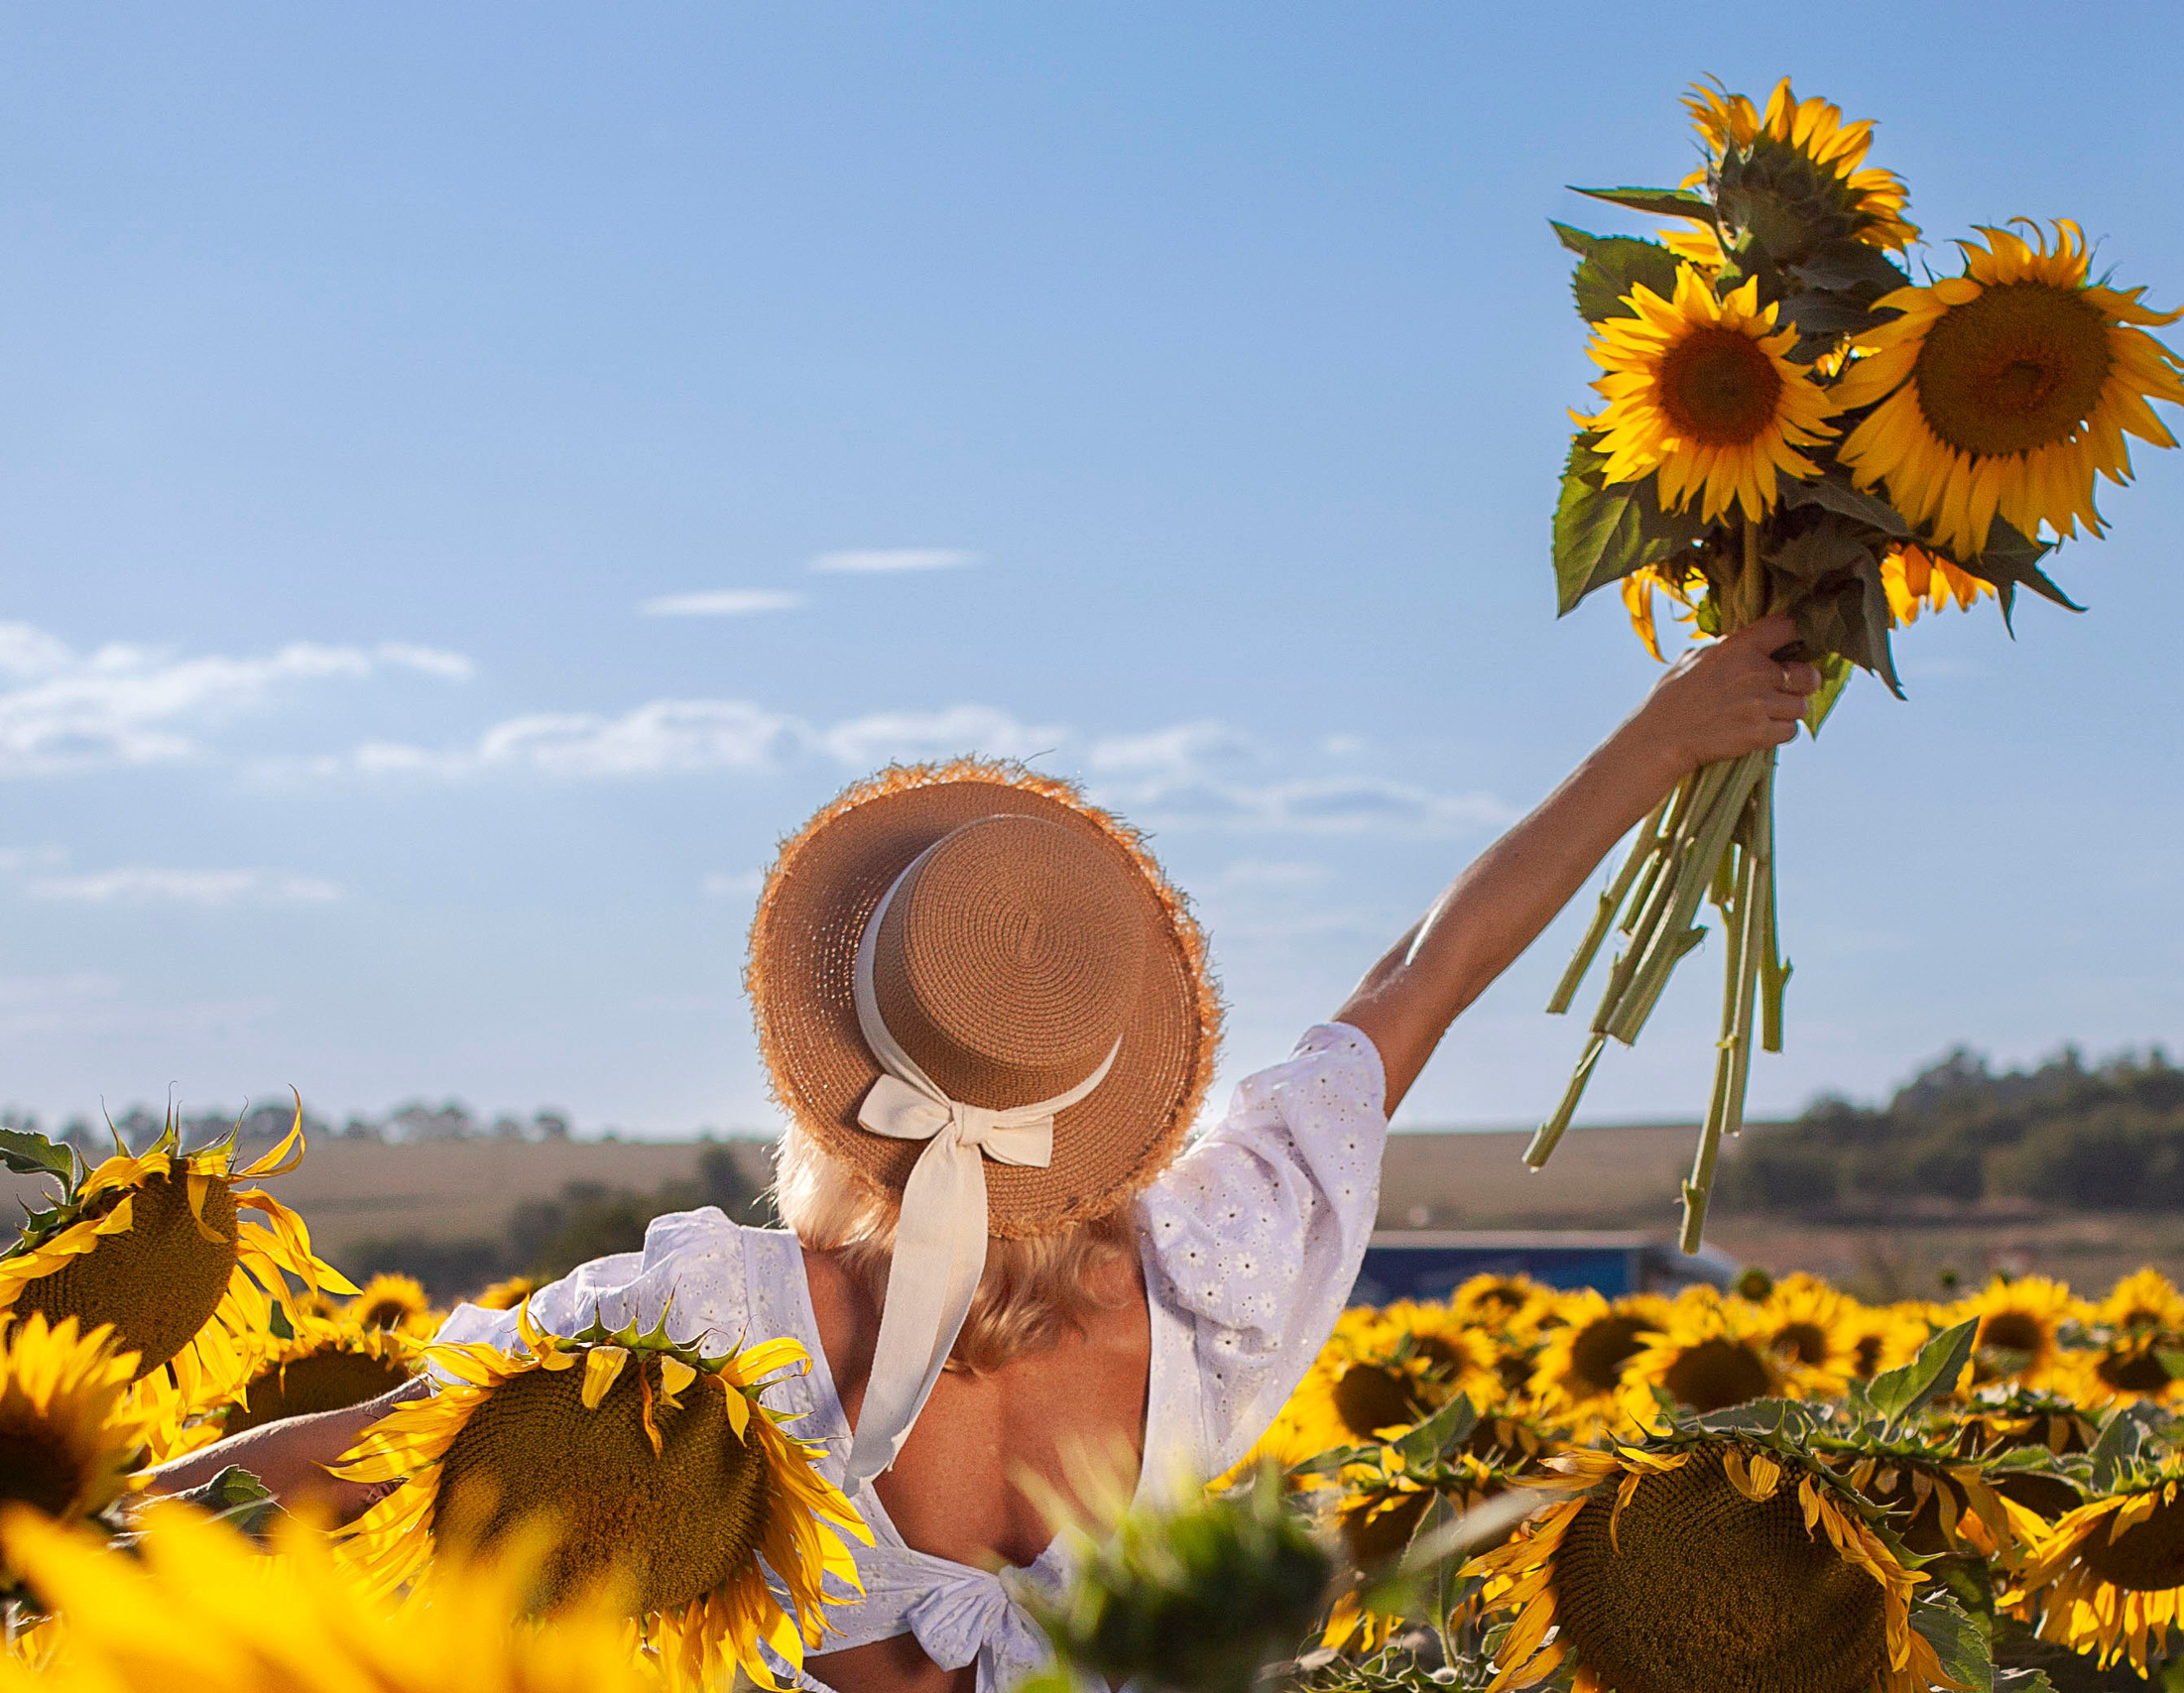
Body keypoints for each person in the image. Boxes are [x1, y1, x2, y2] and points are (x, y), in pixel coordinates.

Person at [150, 616, 1821, 1692]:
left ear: (832, 1076)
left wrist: (73, 1524)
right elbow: (1421, 979)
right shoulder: (1221, 1275)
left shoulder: (715, 1331)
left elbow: (364, 1452)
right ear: (1115, 1080)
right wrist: (1664, 738)